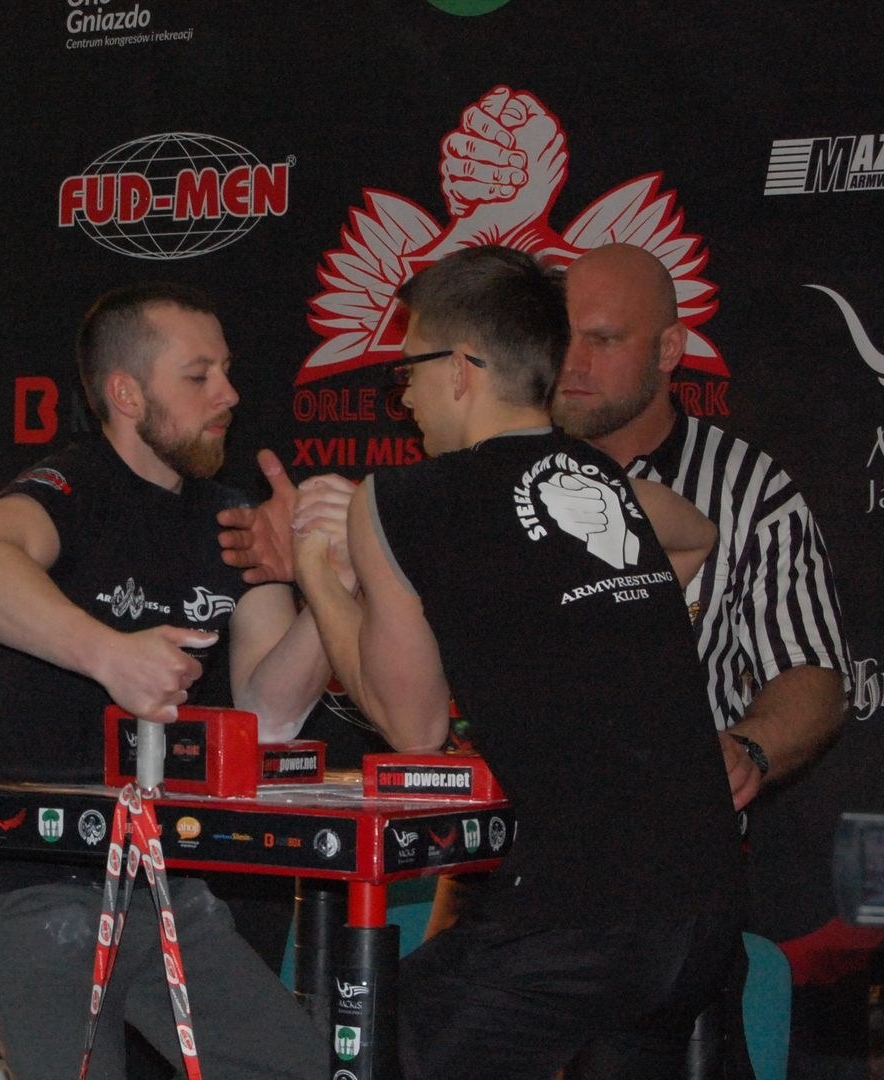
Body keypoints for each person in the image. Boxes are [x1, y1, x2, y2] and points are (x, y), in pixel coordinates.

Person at [288, 245, 745, 1078]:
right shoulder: (599, 475)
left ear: (461, 370)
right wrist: (580, 620)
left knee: (370, 1050)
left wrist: (318, 573)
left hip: (580, 920)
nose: (405, 398)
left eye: (408, 372)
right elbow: (697, 535)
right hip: (703, 918)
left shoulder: (400, 498)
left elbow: (413, 725)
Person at [0, 282, 333, 1079]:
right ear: (126, 394)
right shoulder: (70, 488)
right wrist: (108, 654)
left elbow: (269, 714)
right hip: (47, 884)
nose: (229, 393)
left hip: (171, 887)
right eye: (199, 375)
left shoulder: (231, 517)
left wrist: (329, 580)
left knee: (304, 1068)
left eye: (226, 370)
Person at [555, 242, 872, 1077]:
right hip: (509, 866)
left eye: (603, 340)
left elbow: (810, 675)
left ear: (670, 349)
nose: (573, 364)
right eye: (561, 337)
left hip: (668, 880)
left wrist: (749, 747)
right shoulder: (504, 476)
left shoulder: (749, 491)